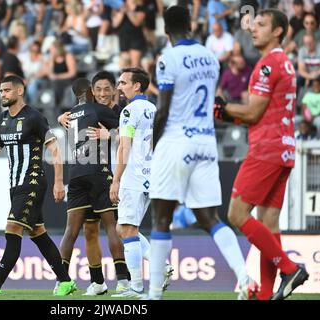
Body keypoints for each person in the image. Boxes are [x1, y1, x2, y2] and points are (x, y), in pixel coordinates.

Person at [147, 5, 253, 300]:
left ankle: (154, 294)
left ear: (166, 31)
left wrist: (150, 145)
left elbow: (164, 109)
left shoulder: (168, 57)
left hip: (176, 141)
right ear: (191, 25)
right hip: (206, 143)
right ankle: (243, 278)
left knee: (160, 219)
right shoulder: (210, 56)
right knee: (210, 218)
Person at [214, 9, 309, 300]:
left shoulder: (268, 65)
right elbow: (261, 113)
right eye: (253, 25)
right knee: (268, 224)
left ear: (278, 31)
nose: (253, 30)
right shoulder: (286, 63)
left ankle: (290, 268)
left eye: (261, 25)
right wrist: (229, 114)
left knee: (236, 214)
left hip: (265, 149)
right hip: (283, 149)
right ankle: (267, 295)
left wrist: (222, 108)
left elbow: (253, 112)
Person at [0, 75, 77, 296]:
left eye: (7, 90)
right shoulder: (1, 120)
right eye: (1, 91)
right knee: (38, 233)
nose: (3, 94)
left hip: (33, 180)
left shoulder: (34, 117)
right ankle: (65, 280)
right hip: (15, 185)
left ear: (20, 91)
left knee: (13, 228)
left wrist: (58, 181)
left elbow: (55, 149)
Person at [58, 71, 130, 295]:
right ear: (90, 91)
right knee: (112, 226)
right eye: (97, 90)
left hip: (75, 174)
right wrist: (112, 130)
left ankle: (65, 280)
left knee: (79, 229)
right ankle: (124, 280)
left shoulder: (70, 115)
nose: (101, 93)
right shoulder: (100, 109)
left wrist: (62, 118)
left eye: (106, 89)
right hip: (98, 171)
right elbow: (128, 128)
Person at [109, 67, 172, 298]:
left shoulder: (128, 111)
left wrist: (116, 180)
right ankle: (160, 265)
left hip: (133, 176)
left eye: (123, 82)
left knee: (126, 228)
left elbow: (124, 147)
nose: (119, 87)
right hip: (151, 176)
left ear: (137, 86)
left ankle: (135, 287)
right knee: (123, 229)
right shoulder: (154, 109)